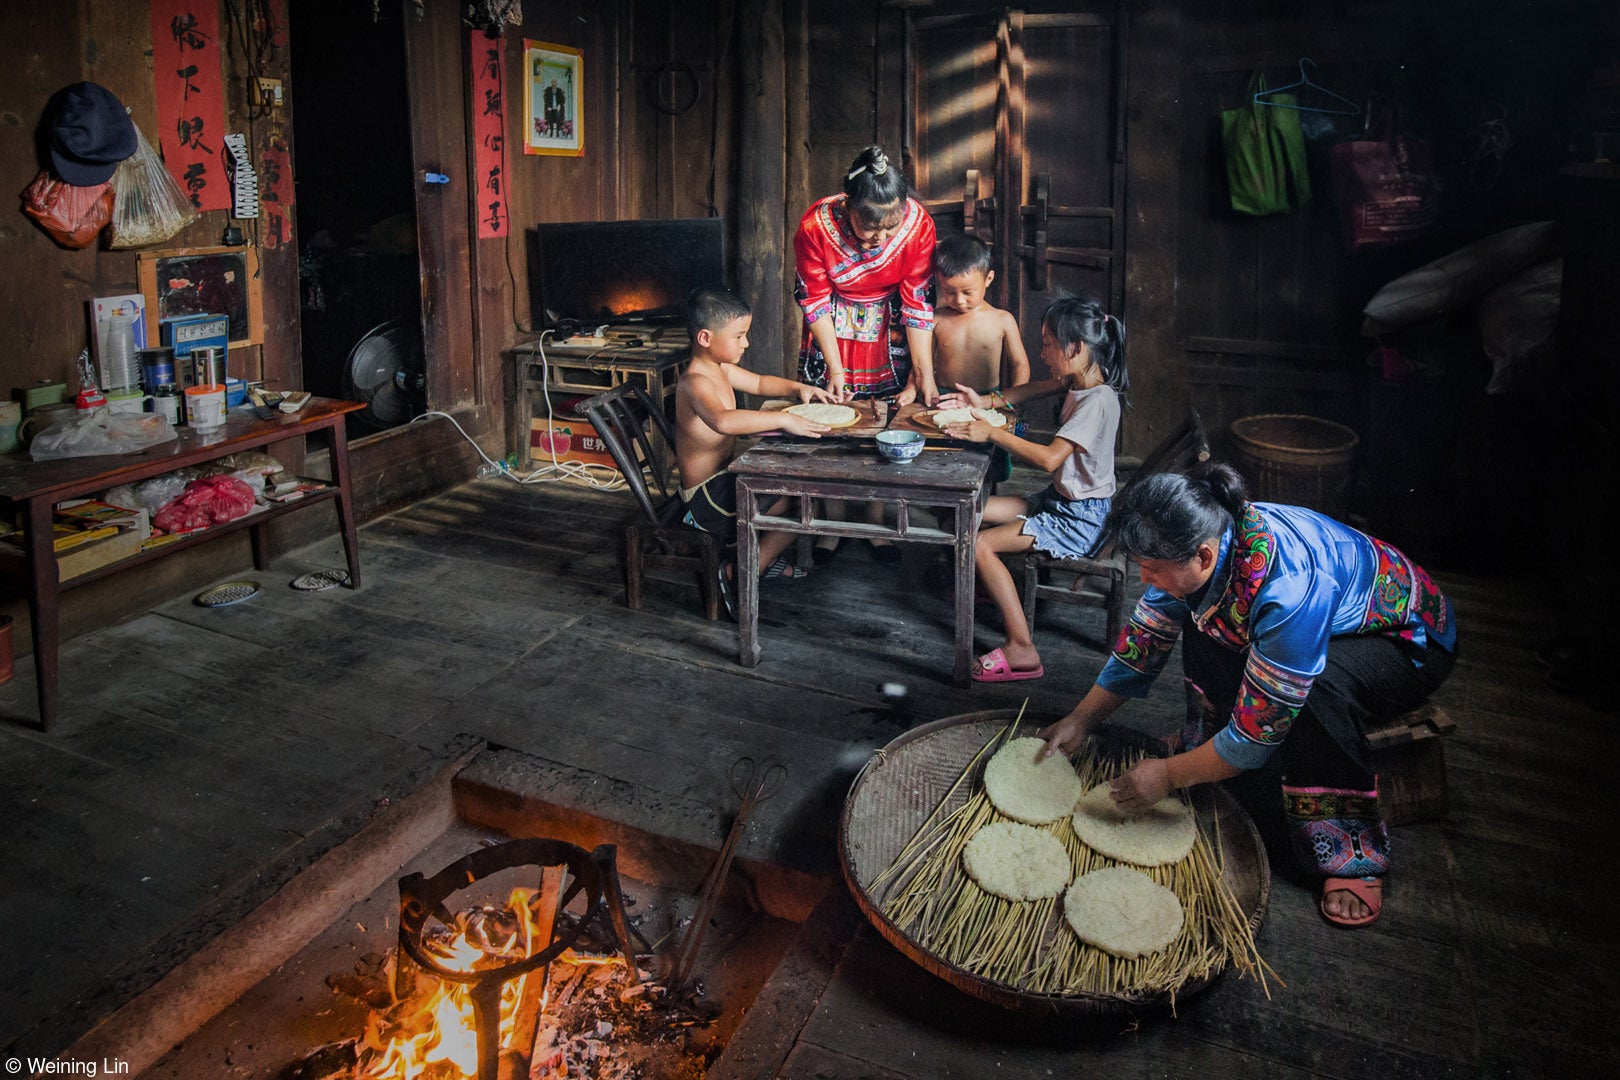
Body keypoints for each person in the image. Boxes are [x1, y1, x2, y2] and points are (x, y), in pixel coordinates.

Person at [1037, 463, 1459, 928]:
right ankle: (1208, 749)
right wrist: (1082, 719)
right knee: (1204, 619)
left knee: (1316, 692)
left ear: (1202, 556)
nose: (1144, 579)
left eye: (1152, 569)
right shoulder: (1195, 542)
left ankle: (1351, 853)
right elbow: (1144, 642)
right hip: (1324, 625)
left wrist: (1170, 775)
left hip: (1407, 640)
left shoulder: (1289, 589)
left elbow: (1257, 736)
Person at [937, 295, 1126, 683]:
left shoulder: (1098, 402)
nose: (1042, 353)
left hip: (1079, 519)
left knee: (981, 543)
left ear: (1076, 347)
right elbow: (1030, 391)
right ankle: (992, 584)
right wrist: (986, 401)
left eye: (1048, 345)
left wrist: (992, 431)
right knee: (969, 509)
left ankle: (1022, 647)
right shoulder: (1078, 380)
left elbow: (1048, 459)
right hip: (1059, 502)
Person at [793, 144, 938, 564]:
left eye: (890, 227)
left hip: (888, 326)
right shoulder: (816, 226)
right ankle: (832, 525)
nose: (881, 238)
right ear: (848, 206)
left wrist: (924, 372)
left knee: (883, 418)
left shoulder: (918, 226)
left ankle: (876, 524)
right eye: (871, 226)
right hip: (831, 322)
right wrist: (835, 366)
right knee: (833, 417)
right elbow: (814, 299)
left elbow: (917, 302)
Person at [675, 287, 835, 617]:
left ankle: (763, 559)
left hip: (725, 481)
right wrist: (781, 419)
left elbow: (761, 384)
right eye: (739, 336)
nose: (745, 343)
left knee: (797, 493)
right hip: (706, 499)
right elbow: (721, 420)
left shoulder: (719, 368)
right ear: (705, 337)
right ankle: (742, 572)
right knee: (798, 504)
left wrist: (798, 388)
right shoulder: (695, 381)